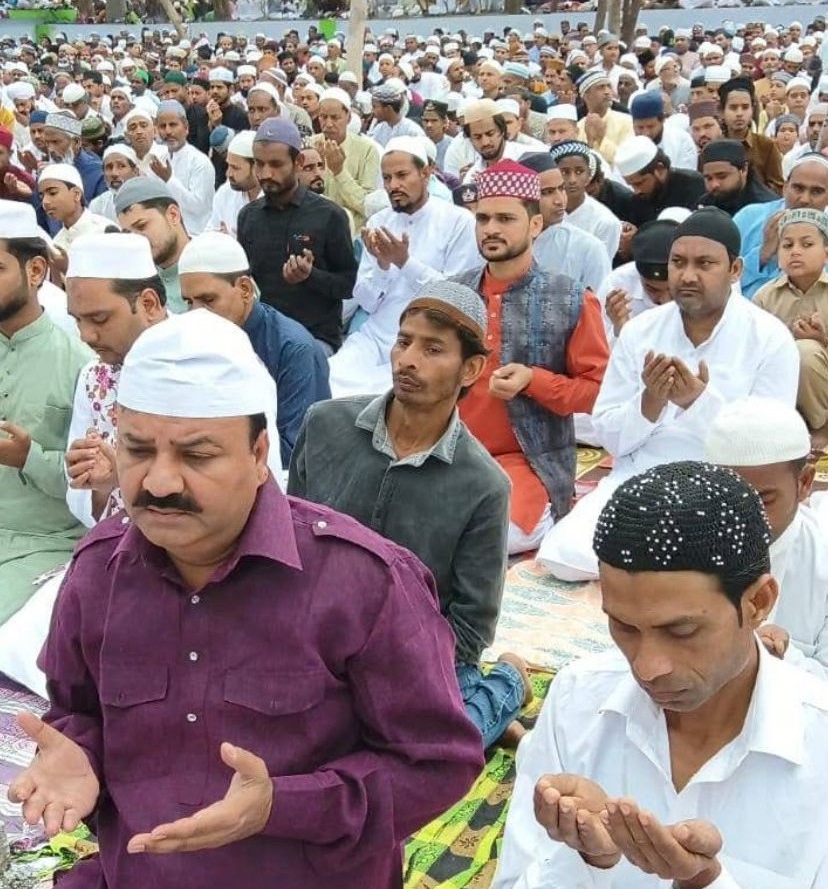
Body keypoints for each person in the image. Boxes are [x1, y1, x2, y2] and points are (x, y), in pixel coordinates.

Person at [9, 307, 483, 889]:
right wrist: (79, 754)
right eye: (136, 450)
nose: (159, 482)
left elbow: (437, 764)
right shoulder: (97, 572)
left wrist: (282, 805)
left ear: (259, 455)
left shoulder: (364, 583)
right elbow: (77, 713)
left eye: (197, 455)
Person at [493, 460, 828, 889]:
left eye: (681, 630)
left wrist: (707, 882)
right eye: (624, 627)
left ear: (759, 603)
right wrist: (589, 861)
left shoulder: (816, 745)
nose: (648, 667)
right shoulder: (577, 702)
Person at [291, 280, 535, 747]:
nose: (408, 360)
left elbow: (471, 625)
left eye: (433, 349)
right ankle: (479, 717)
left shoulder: (483, 484)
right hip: (314, 641)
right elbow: (290, 538)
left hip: (412, 659)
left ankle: (506, 683)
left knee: (420, 747)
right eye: (404, 341)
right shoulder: (325, 424)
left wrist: (388, 672)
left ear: (471, 369)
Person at [537, 208, 800, 581]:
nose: (688, 275)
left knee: (716, 564)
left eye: (704, 263)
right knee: (562, 556)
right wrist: (651, 401)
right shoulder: (640, 332)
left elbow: (772, 447)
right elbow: (610, 435)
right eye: (679, 262)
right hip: (642, 479)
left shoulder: (770, 339)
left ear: (735, 270)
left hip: (722, 486)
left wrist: (697, 403)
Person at [454, 160, 609, 554]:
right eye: (483, 218)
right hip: (449, 452)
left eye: (506, 218)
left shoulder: (571, 299)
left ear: (535, 226)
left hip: (525, 462)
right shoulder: (453, 294)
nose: (491, 229)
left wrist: (534, 381)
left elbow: (596, 390)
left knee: (492, 538)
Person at [329, 137, 478, 399]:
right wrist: (383, 266)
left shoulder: (458, 221)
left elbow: (455, 298)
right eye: (387, 178)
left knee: (387, 399)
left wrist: (405, 263)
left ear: (426, 172)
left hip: (429, 340)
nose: (393, 185)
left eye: (401, 175)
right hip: (375, 336)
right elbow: (366, 301)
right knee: (328, 381)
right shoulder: (379, 221)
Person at [0, 200, 91, 625]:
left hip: (41, 543)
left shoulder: (80, 364)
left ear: (35, 272)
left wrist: (27, 457)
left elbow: (96, 488)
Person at [179, 231, 330, 466]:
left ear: (245, 290)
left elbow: (295, 453)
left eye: (208, 300)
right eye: (189, 302)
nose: (197, 313)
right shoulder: (195, 340)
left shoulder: (293, 349)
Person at [706, 397, 828, 679]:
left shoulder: (821, 554)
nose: (743, 515)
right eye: (728, 497)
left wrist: (780, 658)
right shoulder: (680, 547)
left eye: (763, 499)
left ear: (804, 484)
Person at [63, 232, 169, 529]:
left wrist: (128, 476)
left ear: (149, 304)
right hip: (115, 548)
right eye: (77, 320)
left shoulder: (209, 364)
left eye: (99, 319)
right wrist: (100, 484)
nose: (86, 336)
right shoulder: (94, 377)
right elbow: (81, 498)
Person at [237, 118, 357, 356]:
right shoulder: (249, 216)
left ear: (298, 162)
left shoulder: (330, 216)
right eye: (259, 164)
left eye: (276, 164)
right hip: (261, 335)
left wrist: (310, 276)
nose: (266, 173)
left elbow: (349, 286)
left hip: (314, 337)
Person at [753, 208, 828, 452]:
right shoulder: (765, 296)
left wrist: (822, 340)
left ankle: (821, 428)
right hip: (781, 390)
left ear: (826, 253)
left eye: (806, 244)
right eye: (787, 245)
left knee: (805, 351)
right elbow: (753, 349)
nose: (795, 251)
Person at [734, 153, 828, 298]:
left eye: (816, 191)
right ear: (785, 188)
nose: (804, 199)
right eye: (798, 188)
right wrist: (762, 254)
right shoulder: (749, 217)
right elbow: (721, 281)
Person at [519, 152, 611, 293]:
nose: (560, 200)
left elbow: (599, 309)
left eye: (561, 189)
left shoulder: (589, 249)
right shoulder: (505, 243)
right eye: (547, 192)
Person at [115, 177, 191, 315]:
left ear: (173, 215)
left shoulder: (211, 266)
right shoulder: (137, 283)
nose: (136, 239)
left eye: (142, 226)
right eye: (128, 233)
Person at [310, 88, 381, 233]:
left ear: (348, 118)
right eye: (323, 117)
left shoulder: (367, 150)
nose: (328, 124)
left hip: (352, 234)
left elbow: (366, 205)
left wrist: (339, 171)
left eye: (335, 118)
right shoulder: (309, 145)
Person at [596, 219, 675, 342]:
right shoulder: (617, 284)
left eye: (672, 290)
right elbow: (597, 349)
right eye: (653, 289)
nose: (664, 300)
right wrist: (621, 330)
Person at [548, 140, 622, 263]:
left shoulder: (605, 222)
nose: (572, 180)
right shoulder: (541, 210)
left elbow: (597, 272)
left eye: (579, 172)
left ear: (588, 176)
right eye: (565, 172)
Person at [150, 100, 216, 236]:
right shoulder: (159, 159)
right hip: (166, 234)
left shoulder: (199, 162)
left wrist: (169, 180)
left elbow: (199, 207)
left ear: (186, 128)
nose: (168, 131)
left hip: (195, 235)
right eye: (163, 126)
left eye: (173, 125)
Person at [613, 136, 706, 229]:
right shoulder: (638, 199)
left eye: (639, 183)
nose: (636, 191)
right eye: (631, 185)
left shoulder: (693, 184)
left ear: (660, 169)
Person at [719, 77, 784, 194]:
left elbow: (777, 188)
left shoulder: (766, 146)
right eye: (733, 108)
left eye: (745, 107)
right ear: (722, 111)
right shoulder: (713, 147)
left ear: (752, 110)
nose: (739, 114)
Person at [37, 163, 112, 254]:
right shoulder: (57, 243)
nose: (45, 201)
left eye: (53, 193)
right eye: (41, 197)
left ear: (76, 194)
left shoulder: (104, 231)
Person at [698, 139, 780, 216]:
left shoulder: (767, 208)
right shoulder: (704, 204)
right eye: (709, 178)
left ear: (744, 169)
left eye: (722, 176)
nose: (714, 184)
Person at [206, 131, 261, 238]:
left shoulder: (275, 199)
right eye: (228, 166)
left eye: (235, 168)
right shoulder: (225, 193)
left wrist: (230, 241)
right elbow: (210, 233)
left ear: (256, 167)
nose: (228, 174)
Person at [629, 91, 698, 171]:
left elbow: (687, 178)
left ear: (662, 121)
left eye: (650, 127)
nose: (645, 133)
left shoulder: (682, 140)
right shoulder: (627, 143)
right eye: (640, 127)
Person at [576, 70, 634, 165]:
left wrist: (601, 140)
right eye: (600, 88)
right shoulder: (579, 127)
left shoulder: (626, 121)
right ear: (585, 95)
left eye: (609, 86)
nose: (607, 92)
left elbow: (627, 160)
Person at [89, 144, 140, 223]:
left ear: (135, 171)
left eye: (121, 166)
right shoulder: (98, 205)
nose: (114, 174)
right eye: (109, 167)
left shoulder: (148, 201)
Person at [368, 79, 426, 148]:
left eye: (375, 107)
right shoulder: (378, 129)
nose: (372, 111)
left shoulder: (412, 131)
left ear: (388, 108)